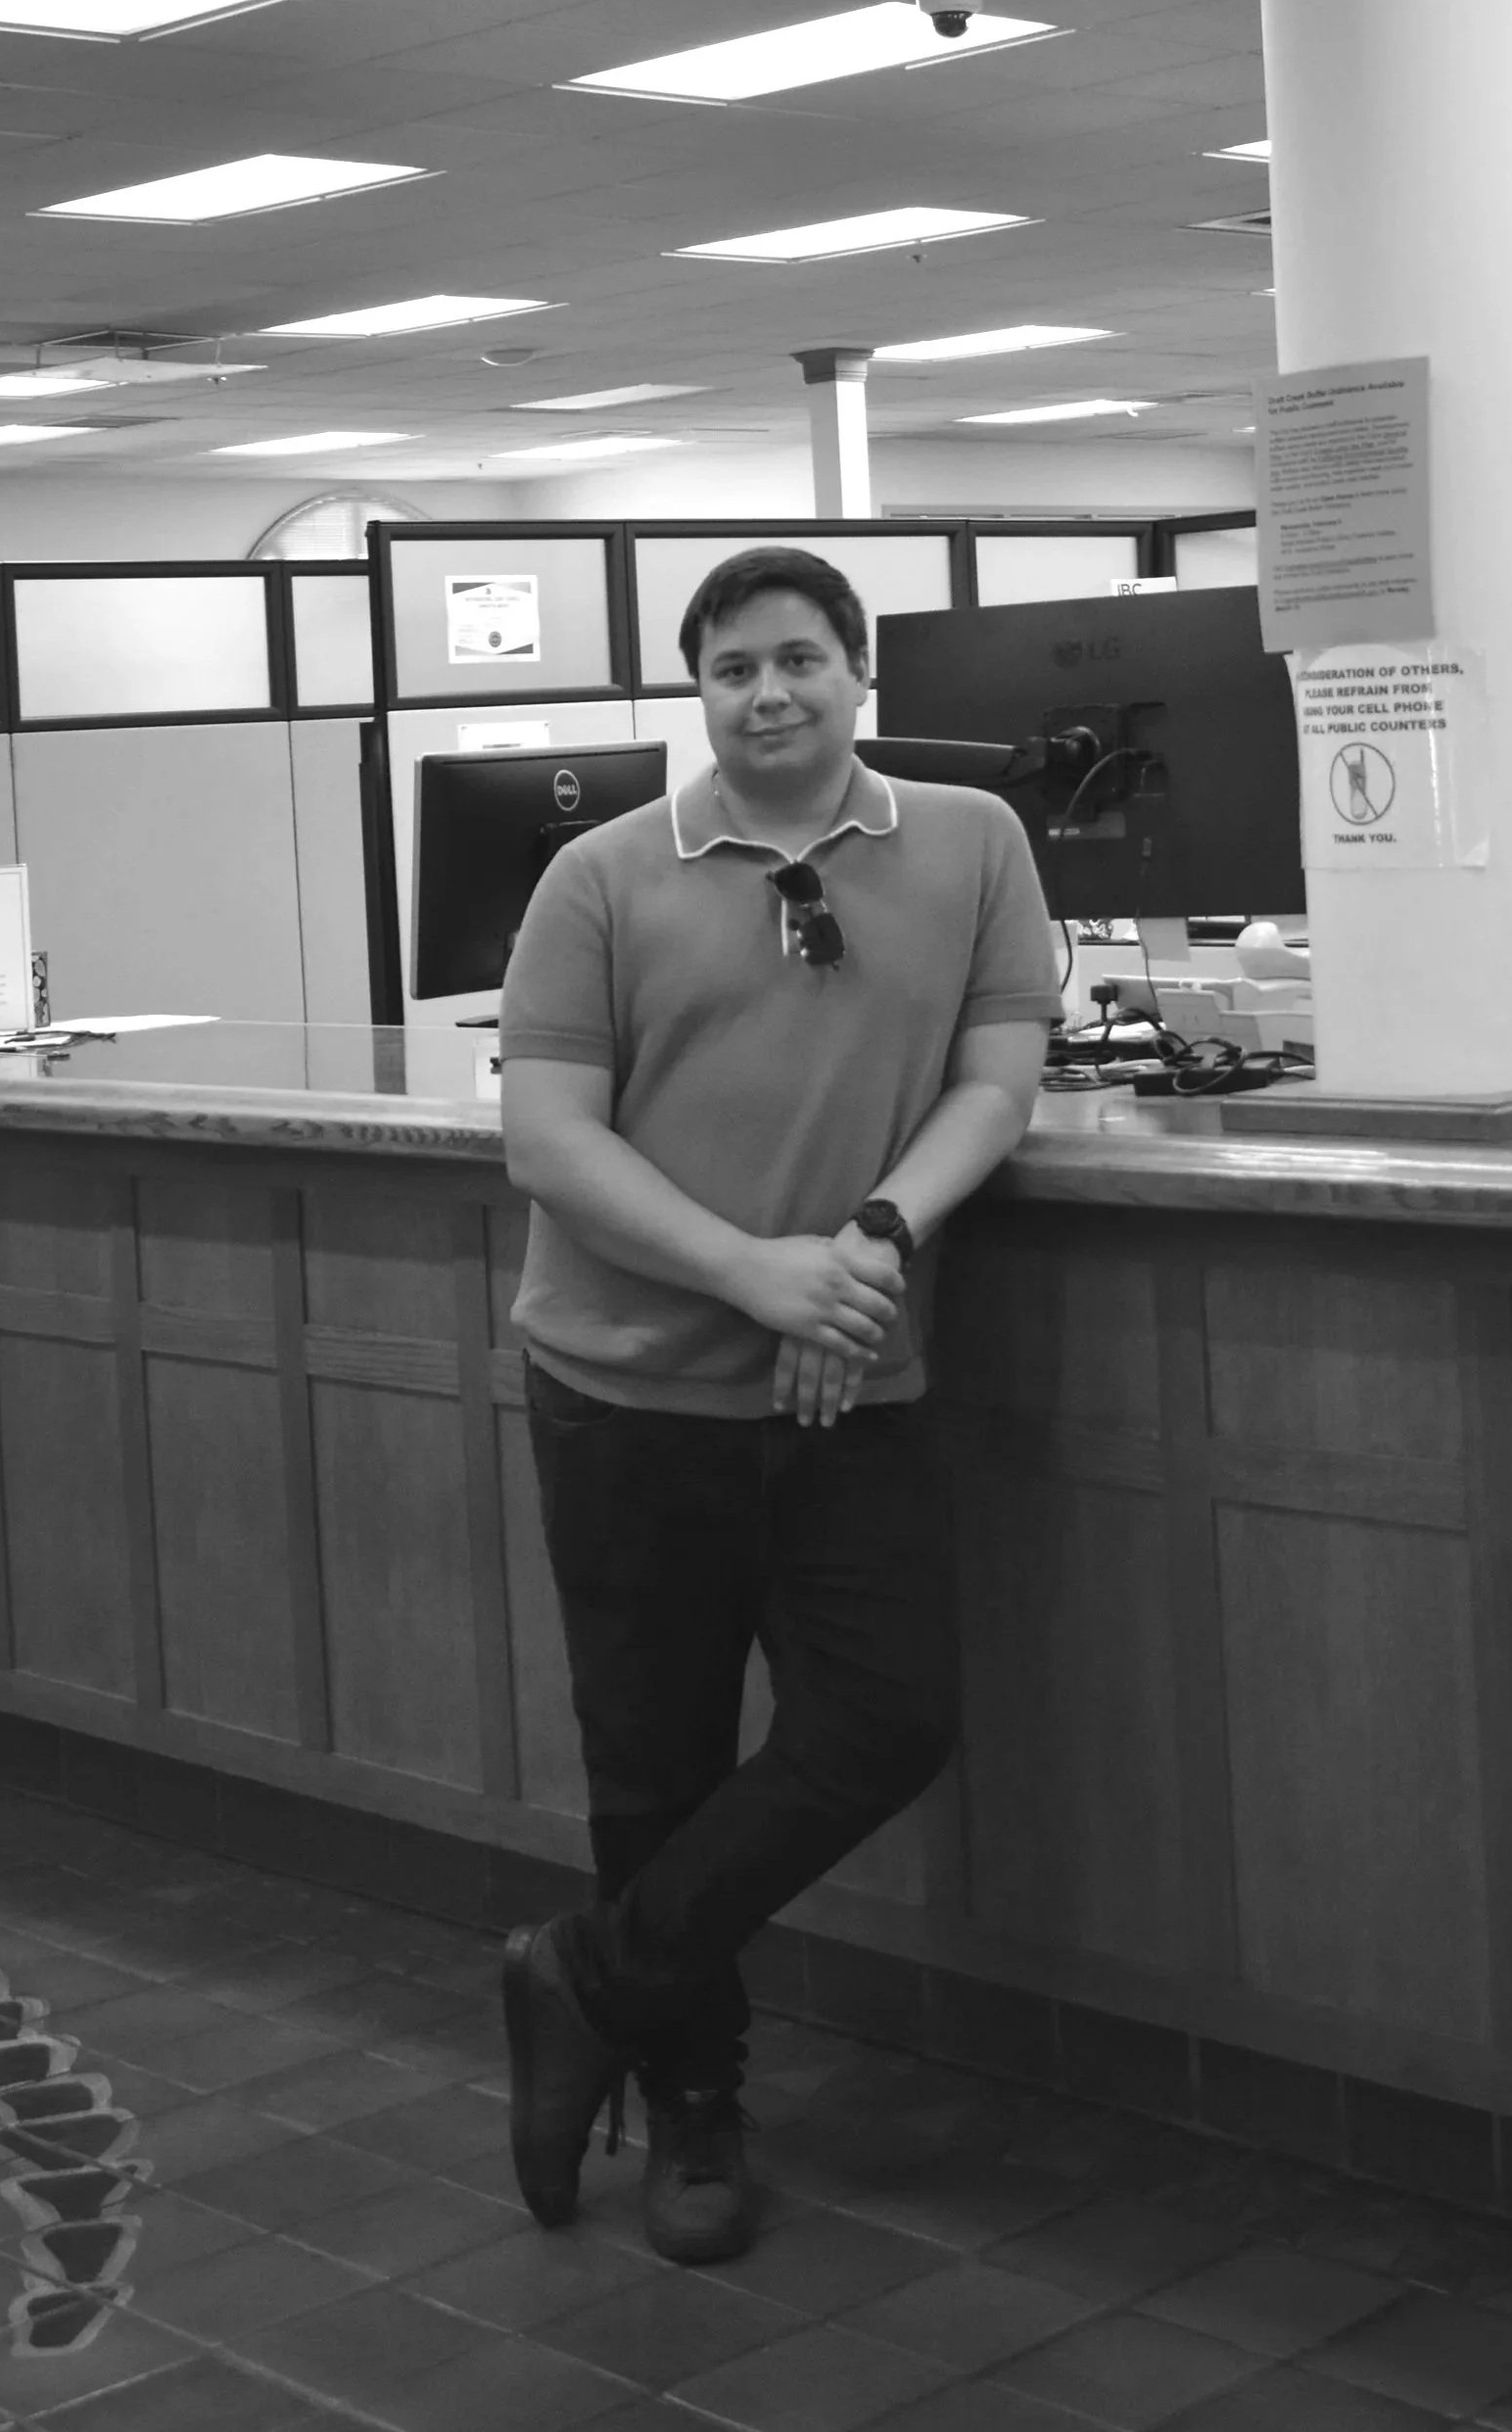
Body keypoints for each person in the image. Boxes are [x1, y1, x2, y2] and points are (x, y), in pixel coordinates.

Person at [494, 545, 1061, 2267]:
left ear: (859, 673)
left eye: (800, 660)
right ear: (699, 687)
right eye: (733, 666)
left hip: (854, 1377)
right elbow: (549, 1137)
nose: (769, 694)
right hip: (632, 1391)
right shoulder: (600, 877)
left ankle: (587, 1974)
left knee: (887, 1719)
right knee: (654, 1767)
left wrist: (873, 1243)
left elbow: (999, 1073)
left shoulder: (971, 844)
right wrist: (762, 1276)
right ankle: (695, 2113)